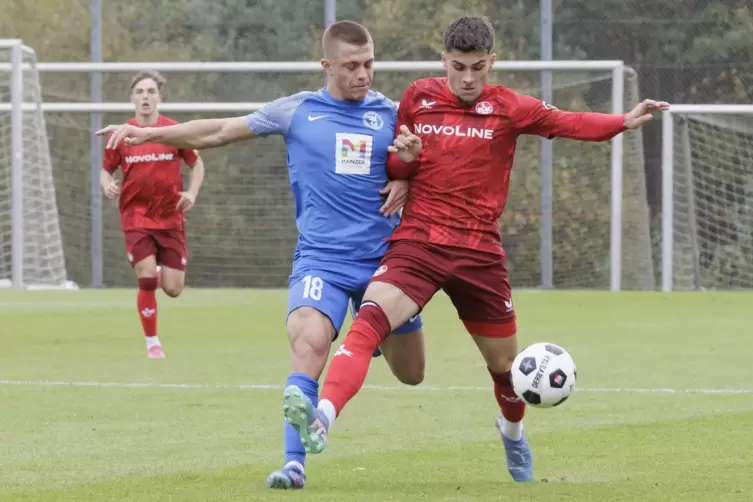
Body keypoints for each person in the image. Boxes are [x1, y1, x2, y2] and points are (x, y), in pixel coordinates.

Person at [282, 15, 670, 483]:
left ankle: (511, 433)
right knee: (367, 322)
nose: (468, 79)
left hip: (478, 255)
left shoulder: (509, 107)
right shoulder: (417, 98)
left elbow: (567, 122)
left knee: (505, 366)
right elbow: (396, 165)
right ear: (444, 60)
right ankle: (323, 416)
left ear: (492, 62)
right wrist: (402, 164)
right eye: (459, 67)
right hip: (418, 244)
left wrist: (622, 121)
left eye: (478, 68)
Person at [97, 20, 426, 490]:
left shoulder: (394, 115)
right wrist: (147, 136)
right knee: (309, 345)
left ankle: (359, 352)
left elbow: (433, 165)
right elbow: (219, 131)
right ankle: (294, 465)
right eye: (352, 66)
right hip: (321, 261)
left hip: (386, 263)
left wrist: (410, 173)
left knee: (411, 373)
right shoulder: (296, 111)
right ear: (326, 65)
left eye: (369, 64)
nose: (364, 74)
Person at [101, 71, 205, 360]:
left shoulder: (174, 131)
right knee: (146, 276)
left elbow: (197, 165)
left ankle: (157, 272)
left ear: (159, 97)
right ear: (132, 97)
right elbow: (106, 169)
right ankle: (152, 343)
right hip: (136, 217)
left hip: (170, 218)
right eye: (140, 91)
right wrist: (106, 183)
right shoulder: (122, 134)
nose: (145, 96)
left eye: (150, 91)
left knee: (173, 289)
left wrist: (192, 193)